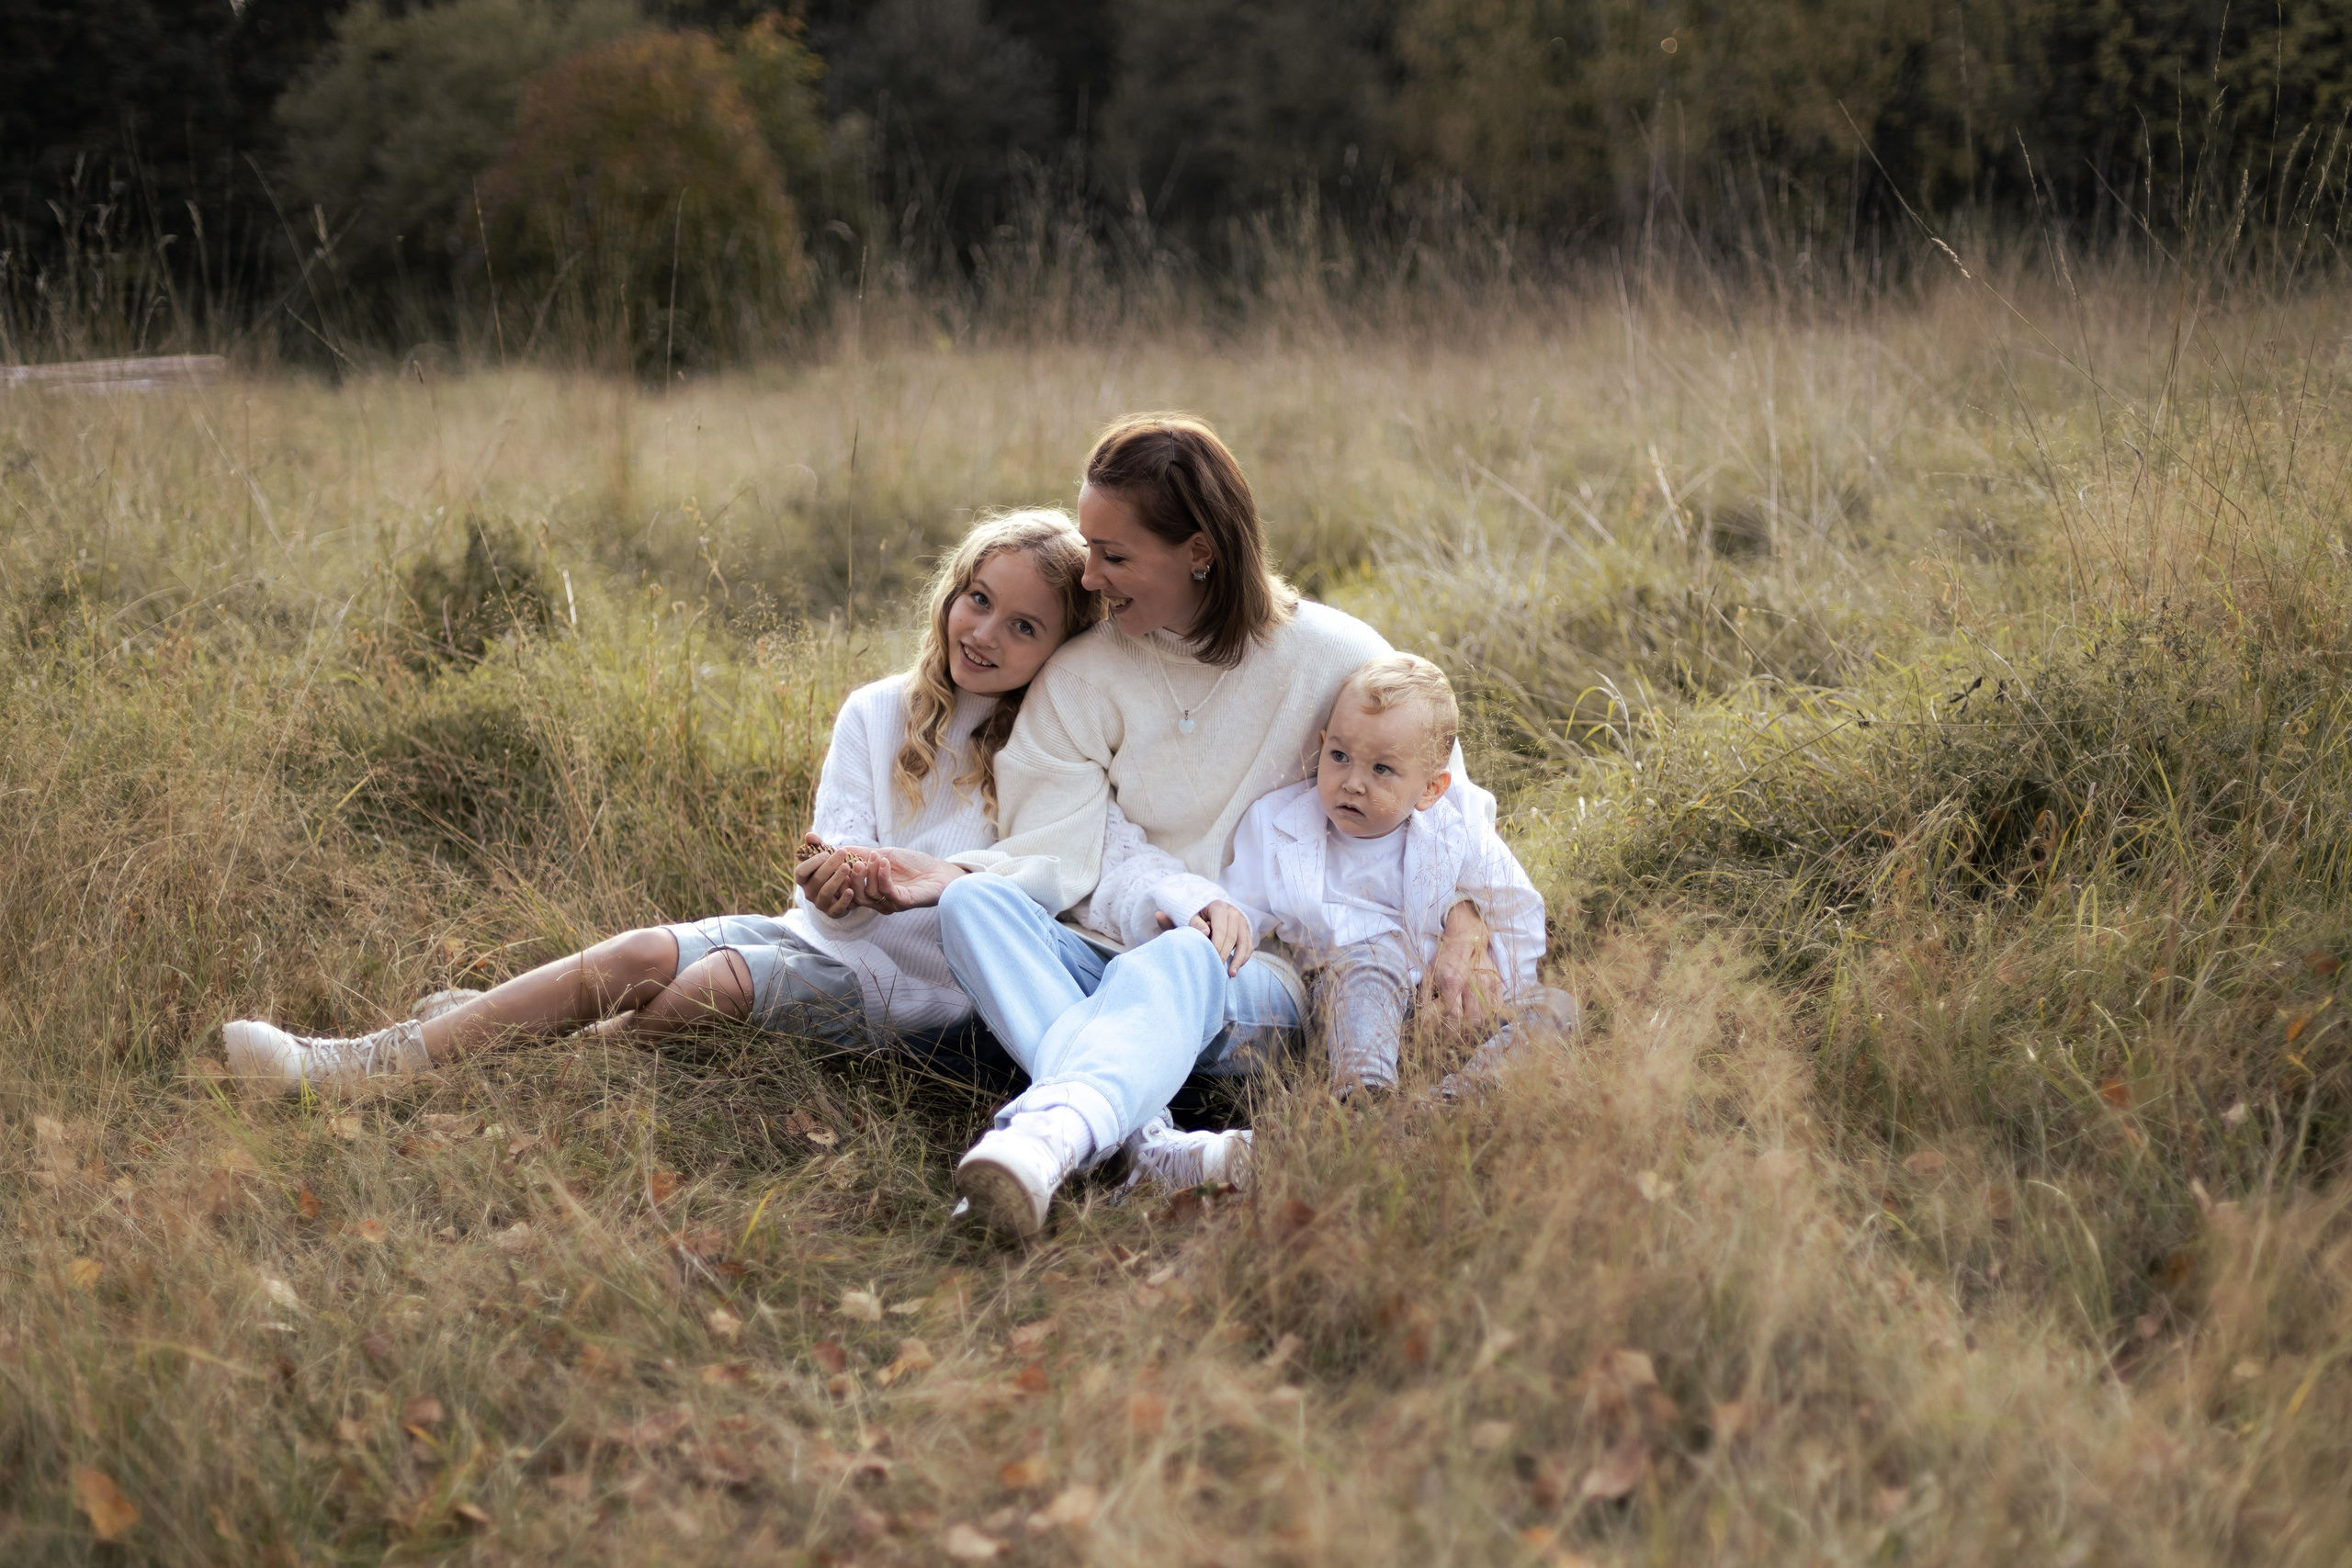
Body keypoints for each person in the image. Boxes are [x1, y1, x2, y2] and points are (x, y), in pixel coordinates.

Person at [819, 414, 1534, 1237]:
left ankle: (1047, 1135)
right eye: (1088, 548)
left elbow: (1447, 801)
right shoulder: (1081, 676)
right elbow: (1066, 850)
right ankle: (1146, 1143)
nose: (1089, 579)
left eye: (1114, 556)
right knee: (974, 907)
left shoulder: (1334, 655)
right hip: (1108, 947)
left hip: (1254, 968)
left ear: (1200, 550)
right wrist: (1167, 891)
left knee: (1183, 953)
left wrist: (1467, 920)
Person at [220, 510, 1102, 1093]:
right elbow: (824, 880)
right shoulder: (877, 711)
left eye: (1024, 625)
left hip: (919, 999)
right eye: (978, 600)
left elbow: (1031, 899)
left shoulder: (1047, 755)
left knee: (710, 983)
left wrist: (922, 884)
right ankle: (359, 1064)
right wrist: (833, 879)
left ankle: (496, 1051)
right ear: (953, 593)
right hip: (823, 942)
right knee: (642, 950)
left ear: (1063, 649)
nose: (984, 633)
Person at [1219, 652, 1577, 1108]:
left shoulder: (1454, 831)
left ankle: (1457, 1098)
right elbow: (1239, 910)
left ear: (1430, 789)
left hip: (1446, 1004)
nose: (1352, 782)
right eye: (1340, 757)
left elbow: (1515, 908)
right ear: (1323, 744)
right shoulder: (1277, 825)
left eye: (1381, 769)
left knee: (1555, 1007)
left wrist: (1490, 999)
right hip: (1346, 1005)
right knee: (1372, 961)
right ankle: (1364, 1096)